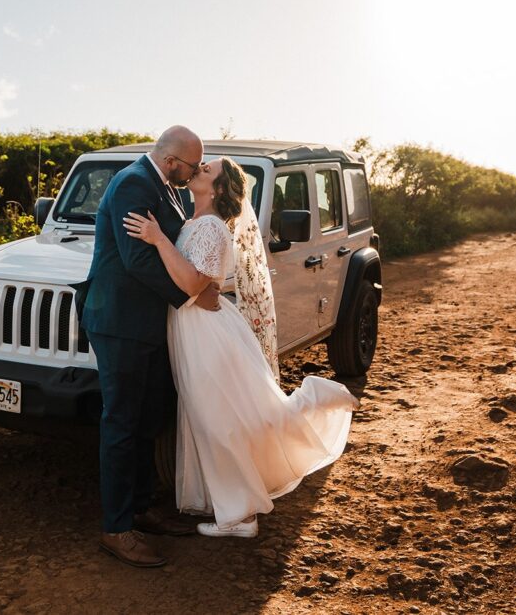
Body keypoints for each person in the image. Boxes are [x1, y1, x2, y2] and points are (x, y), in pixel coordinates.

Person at [123, 157, 359, 538]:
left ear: (217, 189)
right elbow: (198, 284)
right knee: (221, 418)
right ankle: (238, 510)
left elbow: (191, 284)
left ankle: (240, 515)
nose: (198, 169)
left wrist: (157, 239)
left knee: (217, 420)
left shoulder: (213, 227)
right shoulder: (193, 222)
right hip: (192, 328)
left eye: (206, 170)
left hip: (207, 334)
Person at [73, 125, 221, 568]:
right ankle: (117, 529)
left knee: (147, 417)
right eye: (193, 166)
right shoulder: (133, 183)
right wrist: (193, 295)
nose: (194, 172)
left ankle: (141, 507)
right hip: (119, 320)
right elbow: (137, 259)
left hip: (149, 323)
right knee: (120, 423)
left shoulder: (165, 186)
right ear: (173, 161)